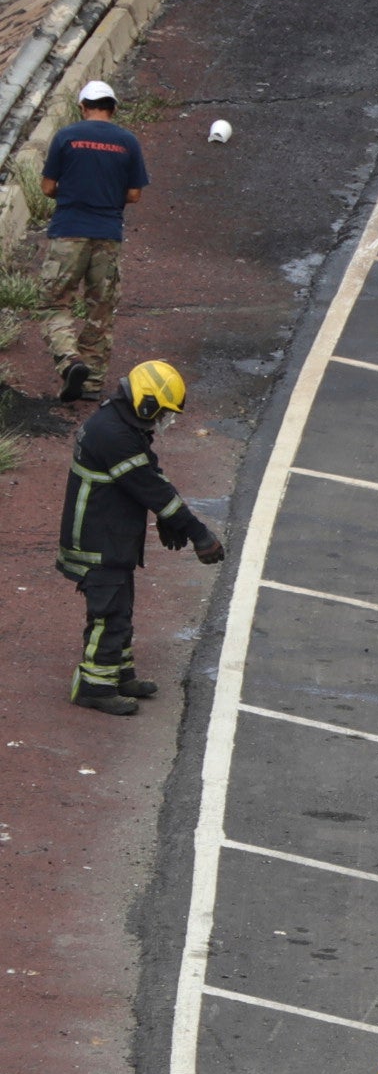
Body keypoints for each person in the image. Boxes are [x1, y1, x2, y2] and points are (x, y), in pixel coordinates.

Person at [57, 360, 221, 716]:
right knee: (109, 615)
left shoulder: (118, 421)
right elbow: (149, 487)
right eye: (162, 411)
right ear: (146, 403)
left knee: (121, 609)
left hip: (110, 536)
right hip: (98, 542)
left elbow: (149, 473)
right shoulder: (114, 435)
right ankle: (93, 686)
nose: (163, 420)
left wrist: (168, 519)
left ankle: (118, 674)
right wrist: (198, 533)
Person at [37, 80, 149, 405]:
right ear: (113, 108)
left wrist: (71, 193)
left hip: (68, 231)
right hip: (108, 235)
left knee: (53, 302)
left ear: (83, 107)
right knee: (101, 307)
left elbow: (46, 188)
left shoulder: (66, 137)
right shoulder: (128, 142)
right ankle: (92, 383)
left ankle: (70, 360)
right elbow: (134, 194)